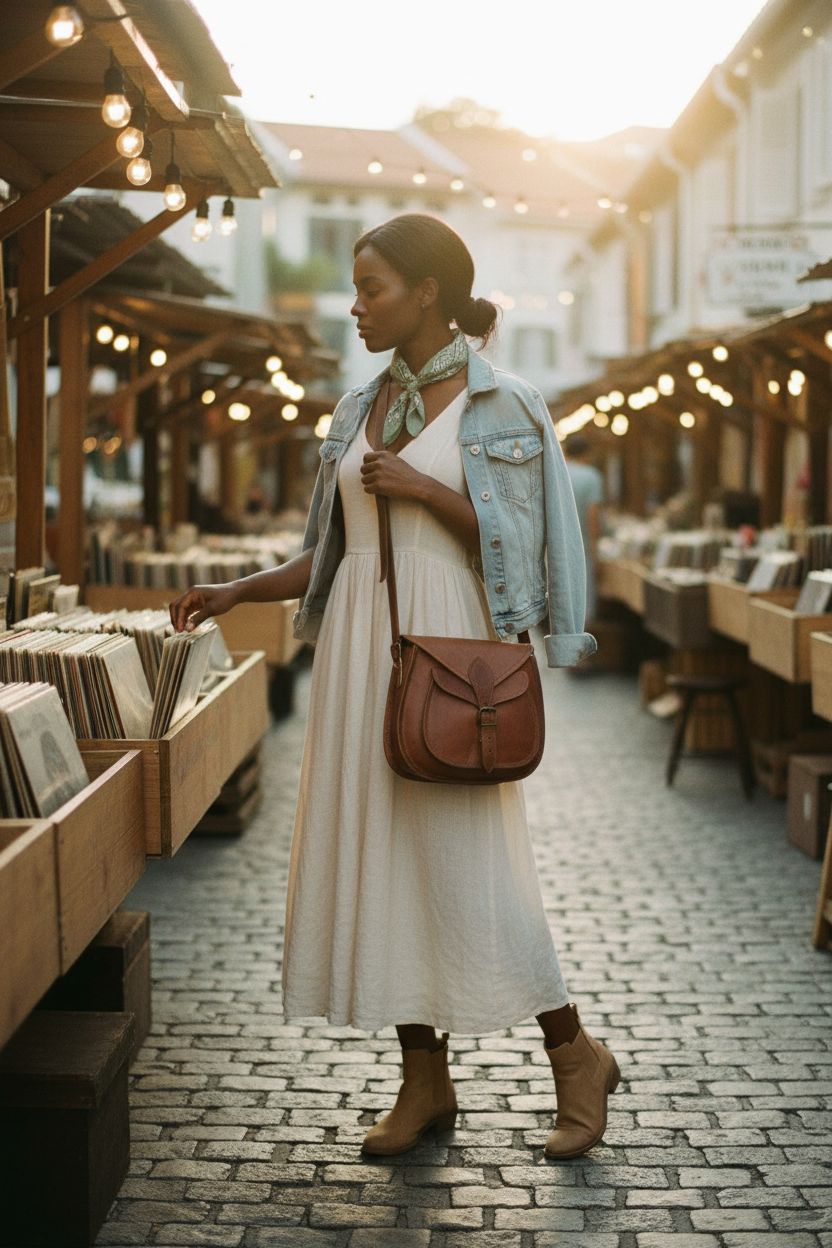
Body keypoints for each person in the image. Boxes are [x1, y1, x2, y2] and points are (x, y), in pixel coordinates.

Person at [170, 214, 620, 1162]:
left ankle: (575, 1055)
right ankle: (425, 1078)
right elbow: (329, 553)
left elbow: (536, 548)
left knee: (472, 871)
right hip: (359, 659)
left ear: (426, 291)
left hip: (454, 655)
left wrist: (426, 494)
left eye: (371, 286)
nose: (356, 304)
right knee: (386, 865)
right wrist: (235, 590)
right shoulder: (356, 408)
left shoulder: (510, 406)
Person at [563, 434, 604, 623]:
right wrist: (595, 552)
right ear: (586, 453)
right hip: (581, 547)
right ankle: (581, 649)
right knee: (582, 604)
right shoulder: (591, 476)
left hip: (556, 544)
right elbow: (592, 516)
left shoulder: (558, 472)